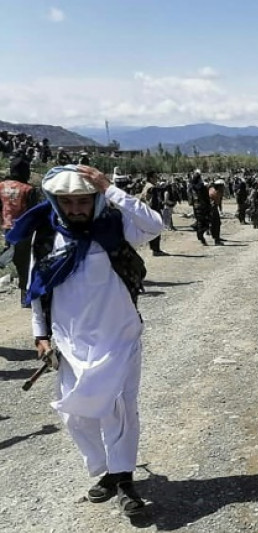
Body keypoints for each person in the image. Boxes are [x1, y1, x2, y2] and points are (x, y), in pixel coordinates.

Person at [6, 165, 162, 516]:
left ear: (96, 200)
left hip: (119, 336)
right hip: (70, 342)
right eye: (67, 202)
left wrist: (109, 188)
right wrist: (40, 335)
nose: (75, 209)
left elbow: (154, 225)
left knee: (120, 410)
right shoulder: (47, 236)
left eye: (83, 201)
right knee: (76, 414)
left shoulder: (115, 227)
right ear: (55, 202)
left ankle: (124, 479)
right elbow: (37, 288)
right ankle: (108, 469)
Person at [1, 152, 41, 301]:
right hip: (24, 230)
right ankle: (25, 296)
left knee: (13, 258)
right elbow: (33, 212)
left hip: (7, 228)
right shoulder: (28, 189)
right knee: (25, 262)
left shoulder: (1, 186)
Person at [138, 171, 168, 256]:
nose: (156, 179)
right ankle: (156, 250)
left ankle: (154, 249)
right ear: (151, 178)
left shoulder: (146, 186)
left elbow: (141, 198)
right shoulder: (152, 187)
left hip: (147, 211)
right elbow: (153, 200)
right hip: (154, 211)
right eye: (155, 177)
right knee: (157, 229)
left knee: (151, 231)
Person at [190, 172, 212, 245]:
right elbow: (206, 198)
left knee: (200, 222)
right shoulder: (202, 187)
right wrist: (209, 206)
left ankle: (201, 236)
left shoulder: (192, 188)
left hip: (196, 207)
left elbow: (191, 199)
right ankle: (199, 234)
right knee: (206, 223)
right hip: (204, 207)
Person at [208, 179, 225, 245]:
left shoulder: (211, 189)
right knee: (216, 224)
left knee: (214, 224)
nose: (223, 187)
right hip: (213, 208)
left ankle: (215, 237)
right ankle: (217, 240)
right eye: (222, 186)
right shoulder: (217, 192)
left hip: (211, 208)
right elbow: (218, 202)